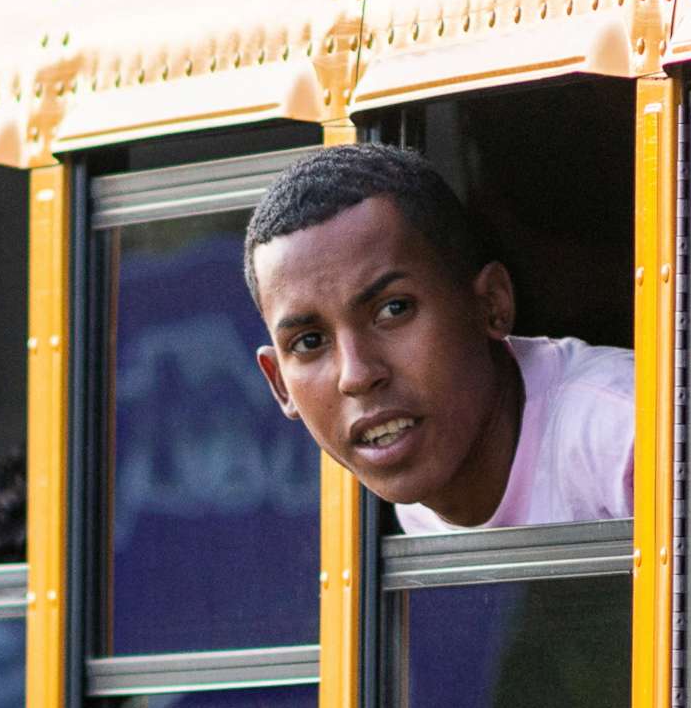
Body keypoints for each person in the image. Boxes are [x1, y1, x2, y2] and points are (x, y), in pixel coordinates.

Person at [244, 143, 631, 534]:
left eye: (393, 310)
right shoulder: (418, 508)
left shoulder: (624, 439)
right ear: (279, 384)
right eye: (309, 342)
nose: (356, 375)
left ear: (491, 305)